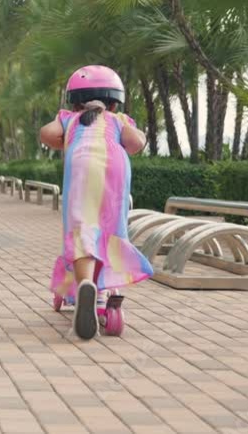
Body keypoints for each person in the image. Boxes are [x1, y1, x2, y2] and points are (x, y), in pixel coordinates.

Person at [39, 65, 154, 340]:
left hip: (80, 170)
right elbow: (136, 144)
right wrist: (125, 124)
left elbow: (45, 134)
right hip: (114, 174)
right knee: (108, 230)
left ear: (74, 100)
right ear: (114, 101)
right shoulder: (117, 120)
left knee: (82, 230)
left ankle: (86, 285)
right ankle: (101, 295)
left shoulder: (69, 119)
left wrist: (65, 133)